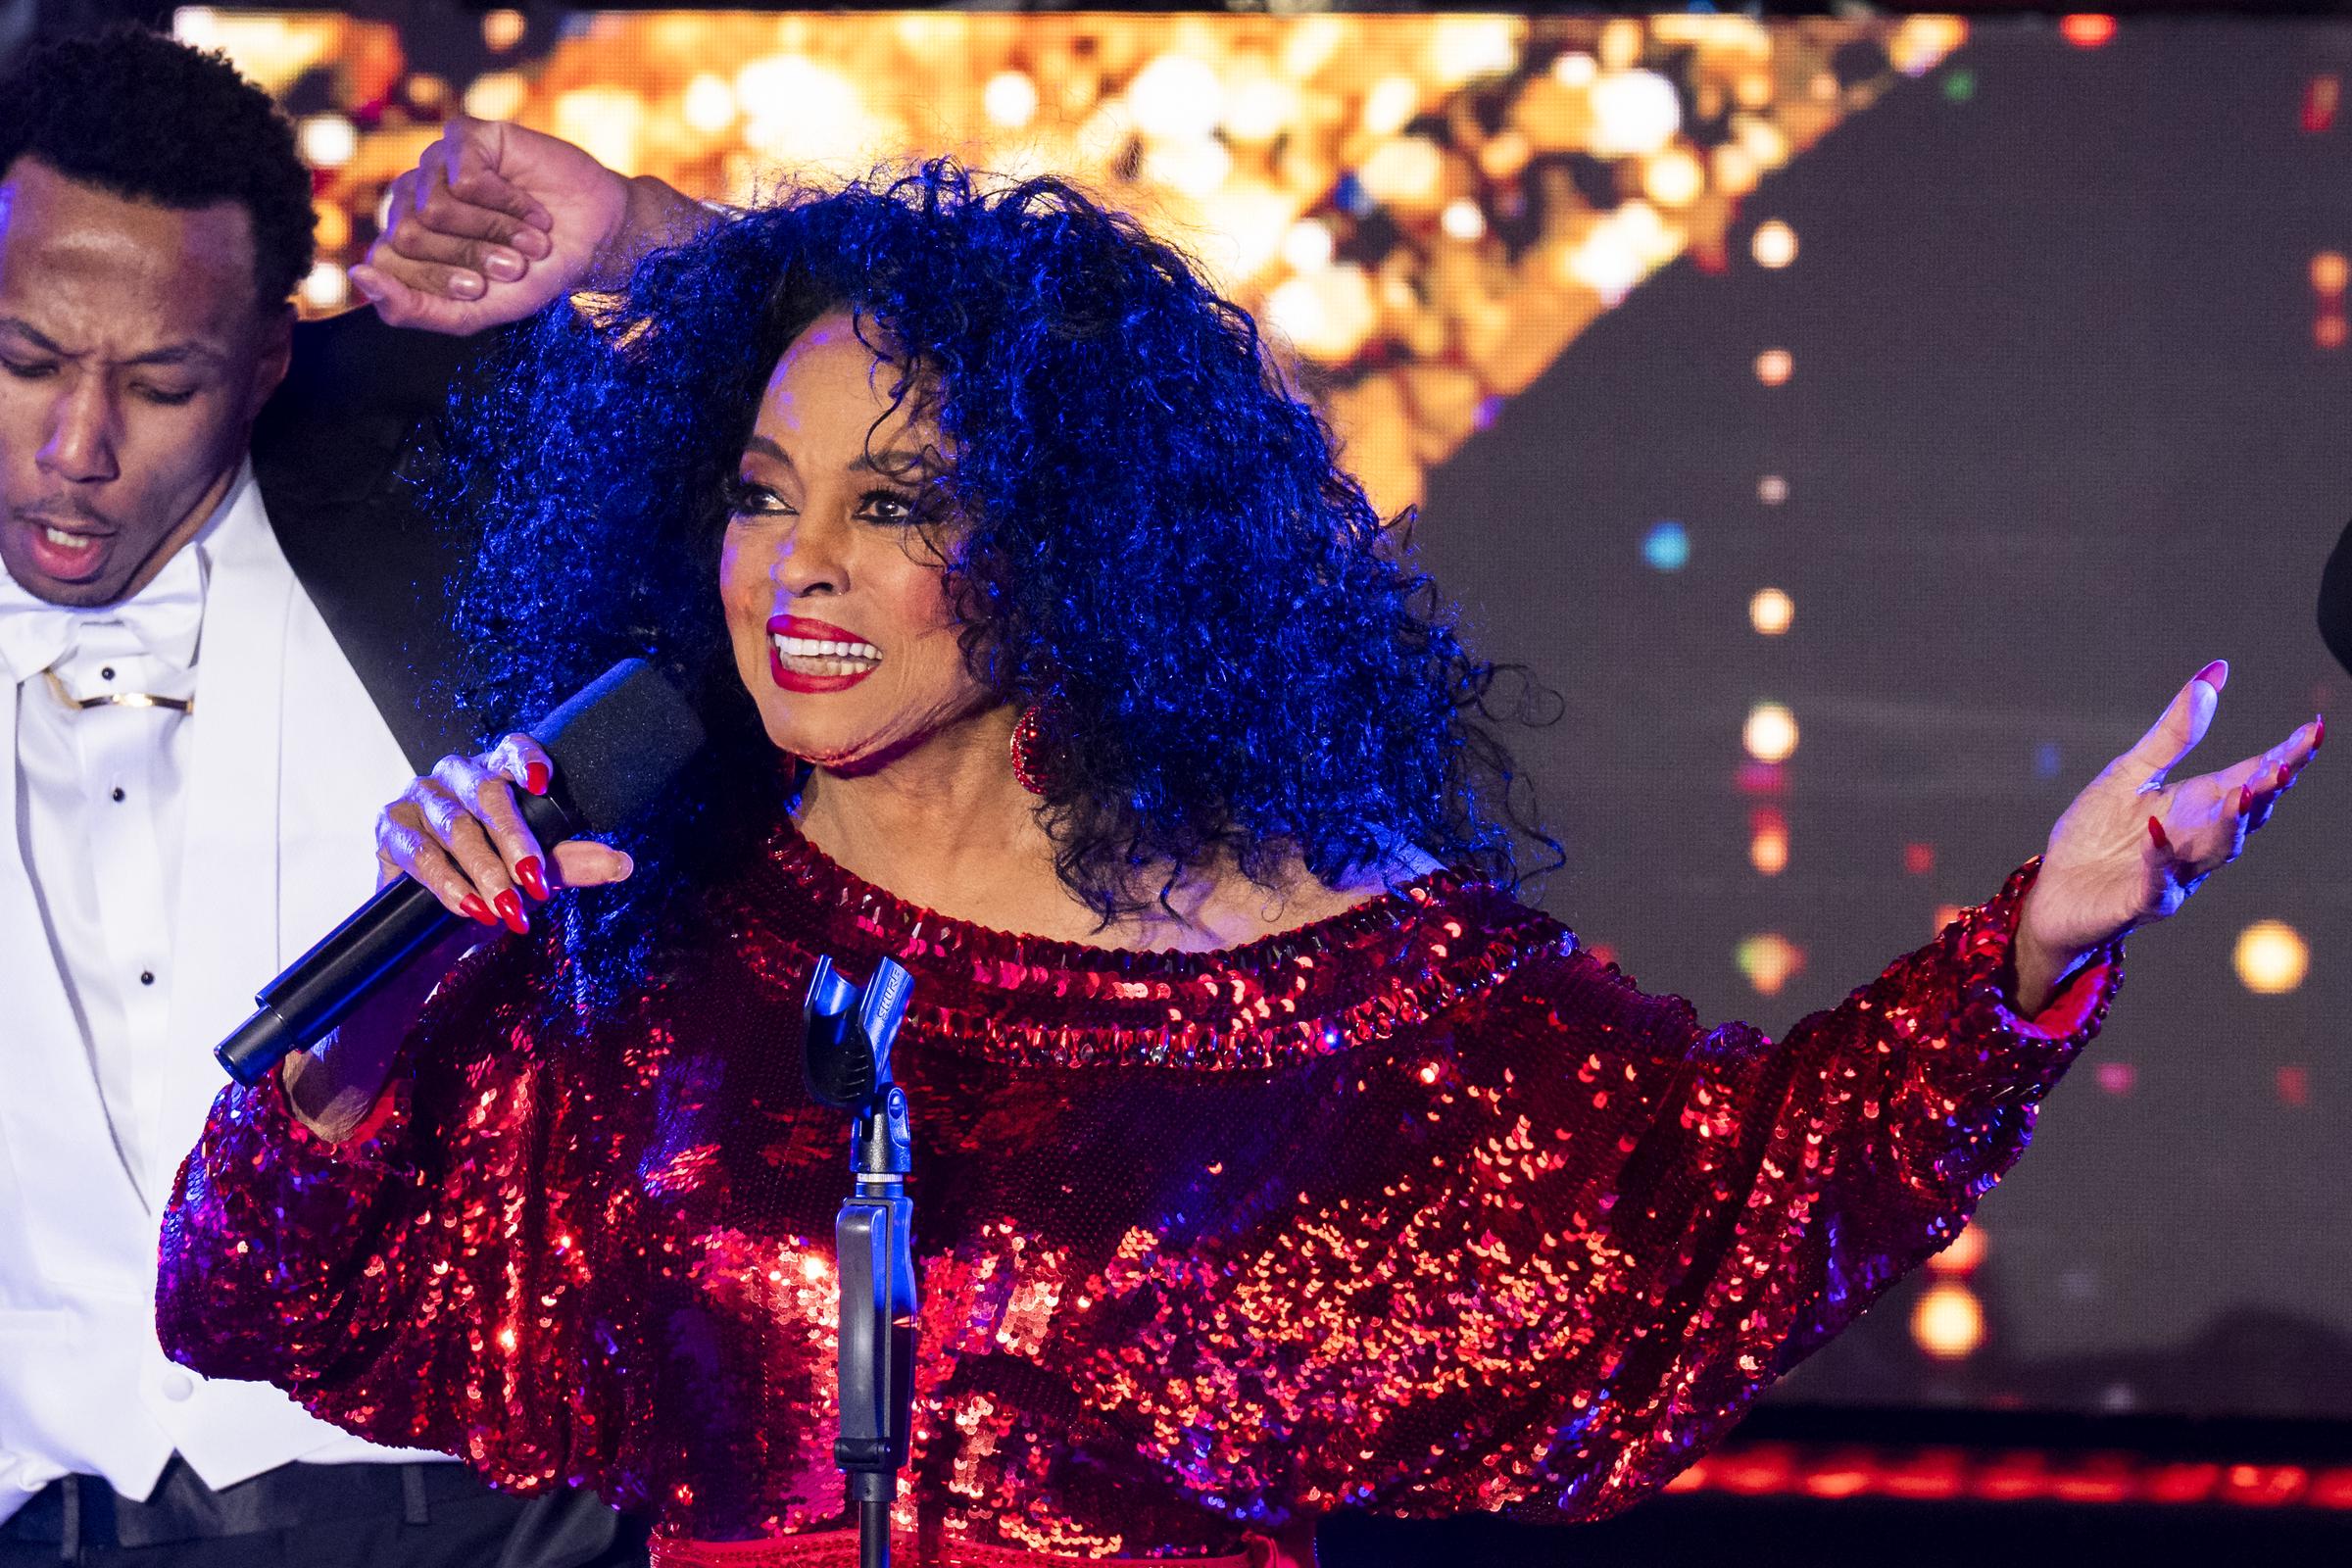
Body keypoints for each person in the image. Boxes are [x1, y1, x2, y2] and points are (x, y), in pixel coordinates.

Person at [155, 151, 2320, 1568]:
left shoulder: (1322, 979)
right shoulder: (659, 932)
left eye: (897, 503)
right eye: (758, 487)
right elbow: (242, 1286)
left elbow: (1726, 1202)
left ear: (1071, 548)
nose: (795, 573)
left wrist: (2036, 942)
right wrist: (413, 978)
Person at [0, 30, 662, 1565]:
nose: (75, 449)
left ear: (265, 360)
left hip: (482, 1521)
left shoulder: (459, 475)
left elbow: (961, 402)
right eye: (23, 362)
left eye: (162, 383)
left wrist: (636, 230)